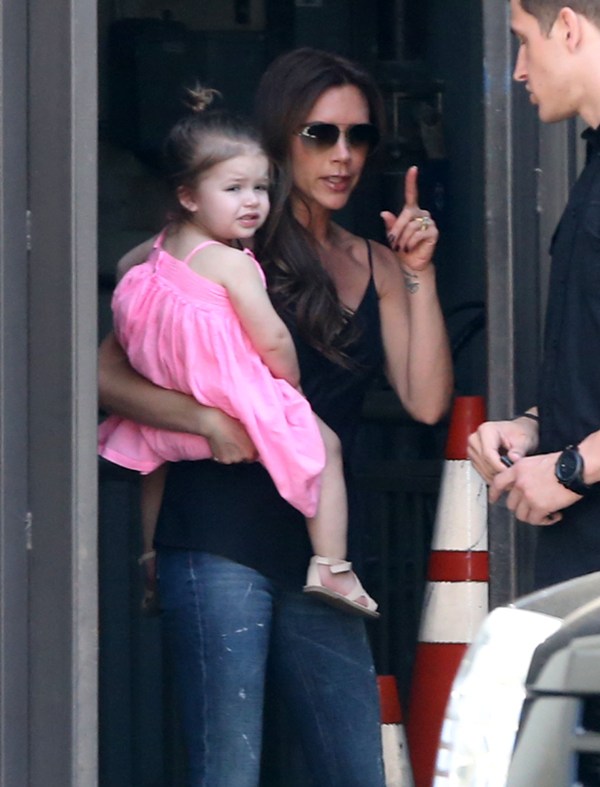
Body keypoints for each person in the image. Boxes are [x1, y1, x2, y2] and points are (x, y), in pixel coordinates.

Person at [98, 47, 453, 787]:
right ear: (280, 136)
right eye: (321, 134)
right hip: (219, 532)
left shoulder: (375, 262)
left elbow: (425, 402)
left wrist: (417, 272)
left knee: (357, 769)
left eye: (359, 136)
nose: (343, 154)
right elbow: (106, 375)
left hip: (323, 557)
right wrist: (205, 420)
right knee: (229, 769)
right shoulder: (218, 244)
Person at [99, 87, 379, 618]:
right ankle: (332, 566)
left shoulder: (159, 248)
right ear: (189, 196)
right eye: (234, 189)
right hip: (231, 388)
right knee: (325, 447)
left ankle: (151, 558)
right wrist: (289, 384)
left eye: (261, 188)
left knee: (155, 463)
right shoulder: (232, 263)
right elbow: (271, 337)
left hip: (173, 385)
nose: (252, 202)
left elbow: (125, 271)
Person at [467, 0, 600, 590]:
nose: (518, 68)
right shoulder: (592, 165)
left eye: (523, 39)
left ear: (568, 28)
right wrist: (534, 426)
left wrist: (572, 468)